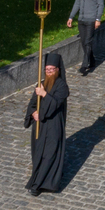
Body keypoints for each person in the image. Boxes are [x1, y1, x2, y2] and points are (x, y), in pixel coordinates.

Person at [23, 52, 68, 196]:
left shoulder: (62, 86)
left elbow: (55, 104)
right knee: (38, 154)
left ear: (57, 70)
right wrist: (33, 113)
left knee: (49, 155)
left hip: (54, 126)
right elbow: (32, 103)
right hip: (40, 126)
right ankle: (39, 178)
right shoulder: (41, 83)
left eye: (51, 70)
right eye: (46, 70)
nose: (48, 73)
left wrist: (43, 94)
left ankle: (37, 185)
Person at [66, 0, 104, 76]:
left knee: (88, 41)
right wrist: (71, 17)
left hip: (91, 20)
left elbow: (100, 5)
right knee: (84, 42)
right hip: (81, 20)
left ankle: (84, 65)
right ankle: (92, 61)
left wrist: (98, 19)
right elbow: (77, 3)